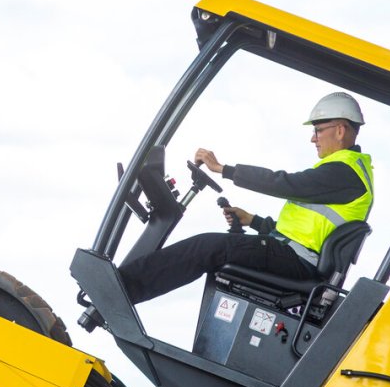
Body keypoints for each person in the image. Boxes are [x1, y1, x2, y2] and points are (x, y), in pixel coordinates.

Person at [119, 92, 374, 304]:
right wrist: (252, 220)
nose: (313, 138)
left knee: (206, 247)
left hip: (295, 260)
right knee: (211, 247)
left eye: (318, 130)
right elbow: (305, 230)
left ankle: (120, 290)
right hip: (291, 254)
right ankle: (123, 288)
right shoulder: (343, 171)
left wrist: (224, 169)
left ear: (340, 130)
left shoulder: (345, 172)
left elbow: (283, 182)